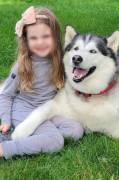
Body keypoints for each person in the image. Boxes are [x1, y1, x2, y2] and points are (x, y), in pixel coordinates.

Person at [0, 6, 83, 159]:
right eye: (34, 38)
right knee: (55, 141)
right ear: (26, 40)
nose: (40, 42)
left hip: (46, 110)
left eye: (46, 36)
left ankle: (37, 137)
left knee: (76, 129)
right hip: (23, 110)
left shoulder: (59, 61)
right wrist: (5, 120)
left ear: (55, 36)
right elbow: (5, 95)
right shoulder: (22, 66)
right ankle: (6, 147)